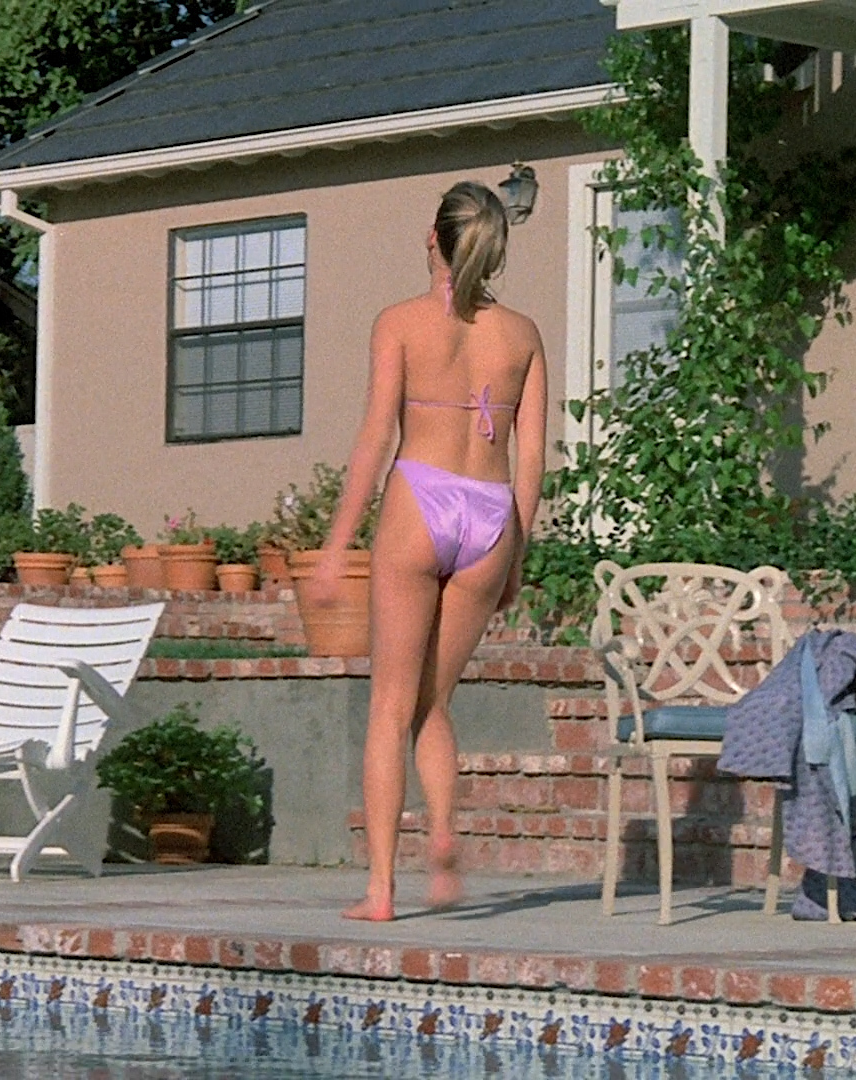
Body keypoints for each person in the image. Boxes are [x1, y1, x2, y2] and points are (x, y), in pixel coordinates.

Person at [309, 180, 546, 922]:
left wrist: (334, 546)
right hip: (492, 514)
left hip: (421, 500)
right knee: (433, 701)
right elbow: (532, 458)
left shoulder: (400, 323)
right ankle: (442, 833)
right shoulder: (523, 335)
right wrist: (515, 557)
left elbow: (376, 437)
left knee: (389, 706)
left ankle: (381, 890)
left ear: (432, 238)